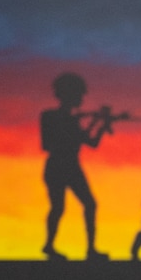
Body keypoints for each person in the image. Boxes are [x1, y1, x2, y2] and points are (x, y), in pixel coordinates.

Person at [40, 72, 106, 261]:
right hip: (59, 166)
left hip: (71, 167)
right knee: (59, 207)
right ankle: (50, 245)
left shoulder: (71, 120)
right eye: (78, 95)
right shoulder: (50, 117)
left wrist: (100, 124)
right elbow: (49, 144)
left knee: (89, 204)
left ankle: (90, 249)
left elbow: (91, 143)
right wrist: (89, 125)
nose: (81, 99)